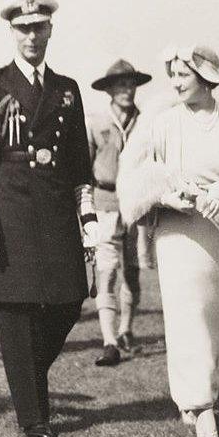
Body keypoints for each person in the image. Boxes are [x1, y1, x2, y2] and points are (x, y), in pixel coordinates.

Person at [117, 45, 219, 437]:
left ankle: (189, 396)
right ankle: (202, 405)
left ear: (206, 76)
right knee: (184, 312)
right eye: (171, 75)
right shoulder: (163, 122)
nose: (174, 83)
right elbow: (140, 173)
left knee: (212, 316)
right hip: (178, 230)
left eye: (182, 75)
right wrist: (165, 195)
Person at [0, 0, 99, 437]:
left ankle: (24, 371)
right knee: (16, 309)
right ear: (12, 34)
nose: (31, 36)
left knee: (69, 300)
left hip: (57, 209)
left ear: (50, 31)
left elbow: (79, 159)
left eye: (39, 28)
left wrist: (88, 213)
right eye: (23, 29)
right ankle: (31, 414)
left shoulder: (67, 88)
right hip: (10, 211)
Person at [86, 59, 152, 366]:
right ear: (109, 89)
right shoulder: (96, 122)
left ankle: (126, 330)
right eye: (121, 85)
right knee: (107, 270)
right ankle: (109, 341)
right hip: (106, 201)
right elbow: (85, 169)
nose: (127, 90)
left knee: (133, 271)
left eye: (131, 84)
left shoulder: (147, 122)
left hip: (136, 206)